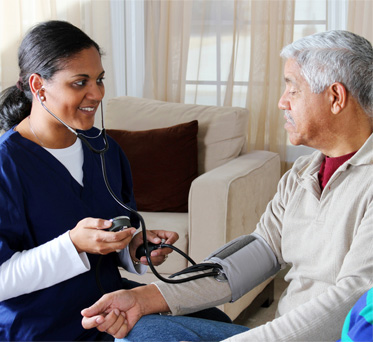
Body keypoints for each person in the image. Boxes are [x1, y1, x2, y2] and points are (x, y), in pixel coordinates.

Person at [81, 30, 373, 342]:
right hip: (278, 333)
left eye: (293, 89)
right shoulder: (302, 172)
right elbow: (259, 251)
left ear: (336, 97)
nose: (281, 102)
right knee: (140, 324)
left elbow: (353, 299)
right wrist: (147, 298)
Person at [0, 20, 182, 341]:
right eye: (80, 82)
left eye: (99, 80)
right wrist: (72, 244)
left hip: (107, 308)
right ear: (38, 86)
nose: (97, 93)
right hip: (33, 325)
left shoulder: (105, 150)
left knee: (208, 317)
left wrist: (135, 248)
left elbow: (115, 233)